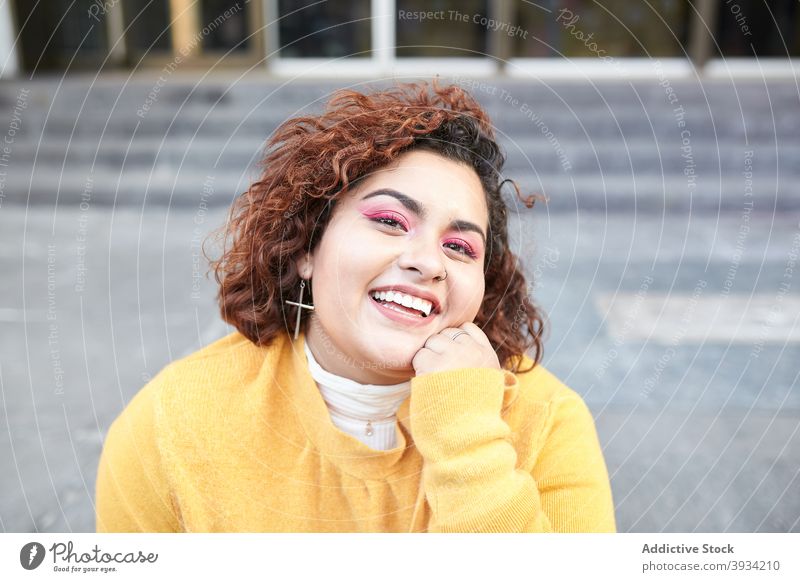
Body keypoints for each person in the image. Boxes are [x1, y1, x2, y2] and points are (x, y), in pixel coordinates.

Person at [95, 81, 616, 533]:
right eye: (390, 221)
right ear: (305, 247)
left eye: (459, 248)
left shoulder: (548, 421)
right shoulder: (171, 422)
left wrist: (467, 434)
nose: (427, 262)